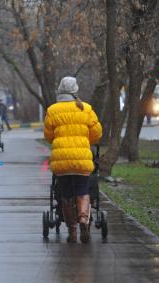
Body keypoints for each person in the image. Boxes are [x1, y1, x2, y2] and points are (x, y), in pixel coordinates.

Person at [44, 76, 102, 244]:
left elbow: (48, 136)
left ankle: (72, 232)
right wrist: (85, 140)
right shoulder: (86, 109)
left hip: (62, 161)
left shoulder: (52, 110)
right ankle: (84, 219)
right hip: (81, 159)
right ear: (76, 90)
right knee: (83, 190)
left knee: (67, 194)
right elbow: (97, 134)